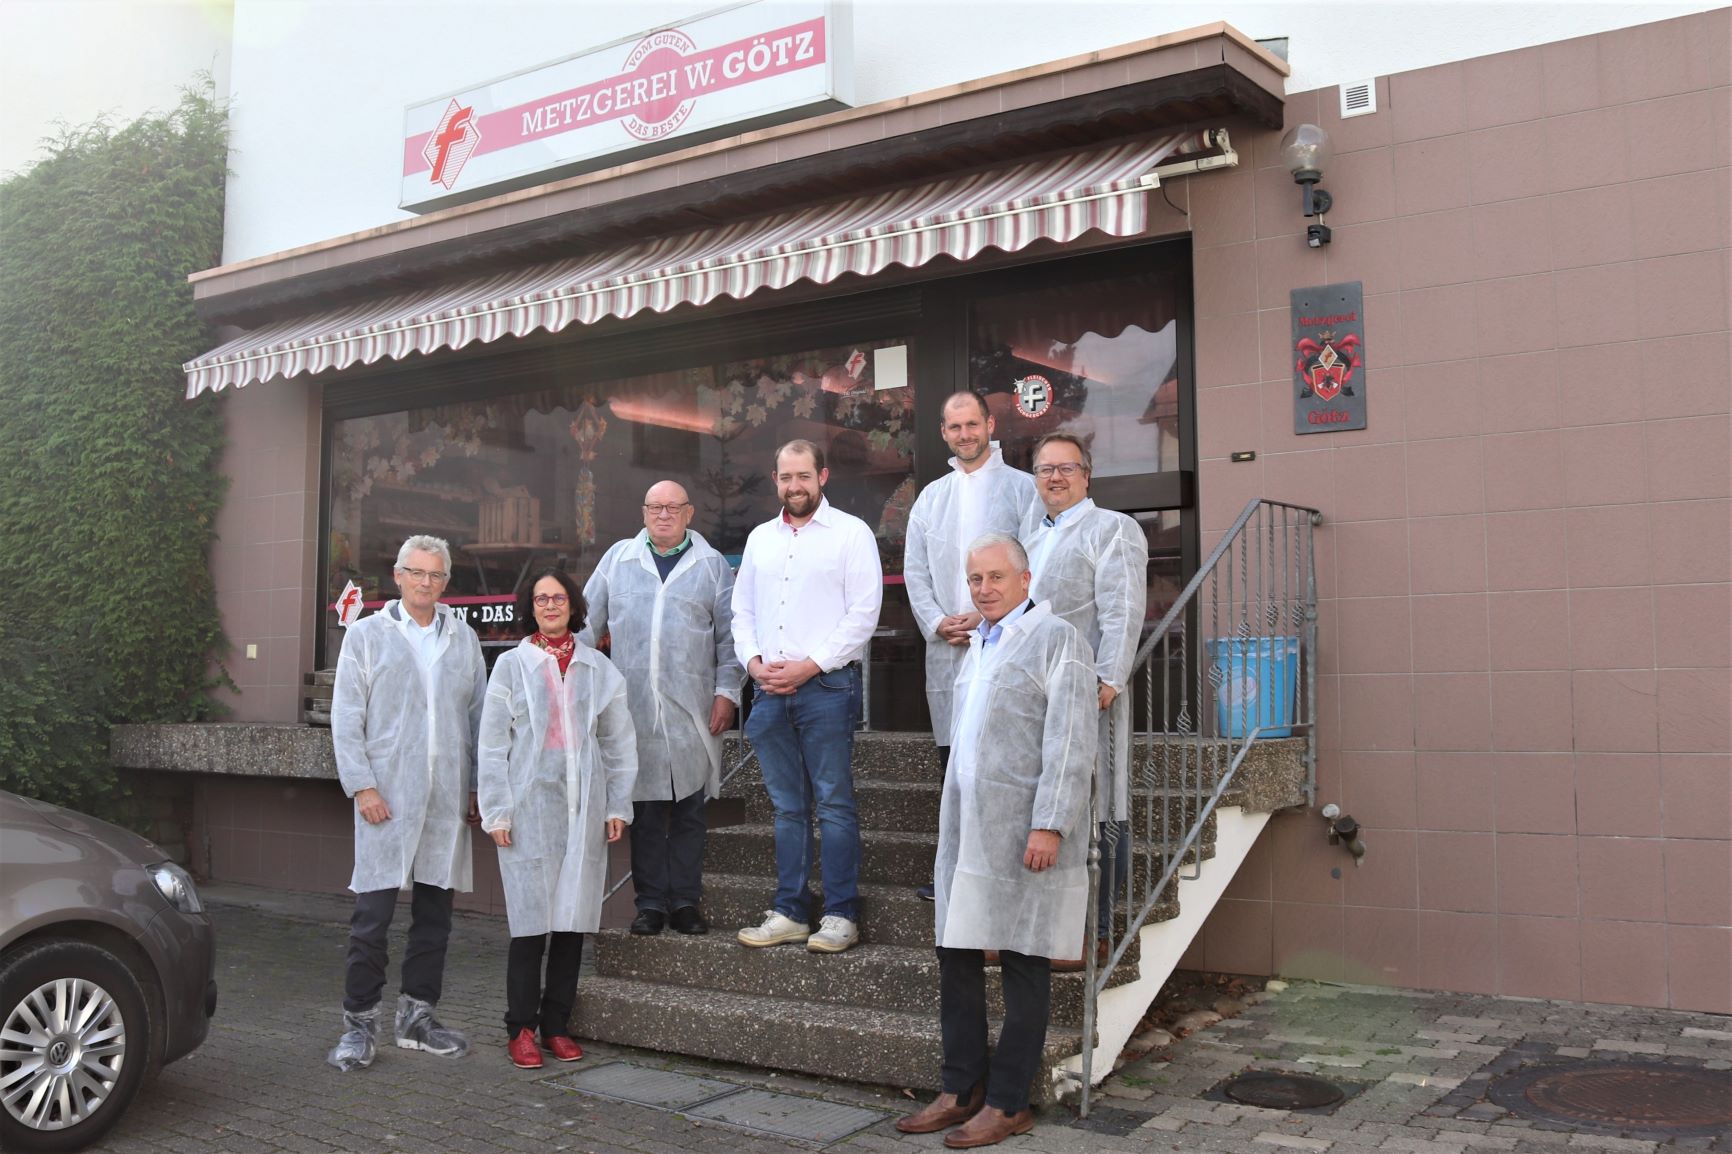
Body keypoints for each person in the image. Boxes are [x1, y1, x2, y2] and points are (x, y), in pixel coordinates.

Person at [895, 532, 1096, 1148]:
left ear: (1026, 580)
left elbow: (1070, 739)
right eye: (975, 579)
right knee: (955, 955)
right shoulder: (978, 643)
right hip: (967, 830)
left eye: (996, 578)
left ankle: (1009, 1101)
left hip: (1022, 830)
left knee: (1023, 959)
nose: (984, 589)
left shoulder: (1057, 640)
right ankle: (962, 1088)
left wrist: (1050, 822)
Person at [327, 535, 487, 1072]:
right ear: (396, 575)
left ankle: (417, 1018)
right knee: (371, 918)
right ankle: (359, 1024)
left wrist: (476, 786)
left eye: (436, 575)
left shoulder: (462, 639)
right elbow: (347, 716)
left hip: (445, 797)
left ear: (446, 582)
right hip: (386, 797)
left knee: (435, 916)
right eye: (416, 572)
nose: (425, 583)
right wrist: (362, 786)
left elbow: (477, 718)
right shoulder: (367, 636)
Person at [477, 569, 638, 1069]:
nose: (550, 605)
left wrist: (617, 803)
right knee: (530, 925)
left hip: (584, 806)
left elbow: (617, 739)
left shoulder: (597, 667)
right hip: (529, 807)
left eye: (559, 597)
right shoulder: (511, 665)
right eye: (541, 598)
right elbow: (492, 743)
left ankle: (556, 1026)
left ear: (574, 606)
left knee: (571, 923)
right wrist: (497, 810)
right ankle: (520, 1027)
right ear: (531, 606)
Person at [732, 439, 883, 954]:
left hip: (827, 687)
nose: (794, 486)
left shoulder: (851, 534)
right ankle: (791, 912)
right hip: (770, 690)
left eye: (803, 476)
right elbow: (742, 612)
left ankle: (840, 914)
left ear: (822, 476)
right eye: (785, 477)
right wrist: (753, 664)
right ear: (775, 480)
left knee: (835, 804)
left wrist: (808, 666)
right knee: (787, 808)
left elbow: (863, 613)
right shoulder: (759, 539)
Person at [580, 480, 742, 936]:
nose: (663, 515)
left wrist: (727, 693)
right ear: (643, 511)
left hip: (693, 710)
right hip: (631, 710)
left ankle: (686, 903)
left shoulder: (711, 567)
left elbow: (731, 639)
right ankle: (650, 904)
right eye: (655, 507)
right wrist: (560, 675)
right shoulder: (618, 560)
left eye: (673, 507)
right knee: (646, 812)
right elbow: (586, 623)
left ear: (689, 513)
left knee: (690, 809)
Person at [903, 391, 1036, 901]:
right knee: (953, 767)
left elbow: (1032, 568)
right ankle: (955, 874)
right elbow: (915, 571)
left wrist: (985, 614)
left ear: (990, 424)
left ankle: (1001, 875)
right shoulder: (931, 497)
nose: (965, 434)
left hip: (1007, 648)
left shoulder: (1022, 490)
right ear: (944, 432)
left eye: (972, 424)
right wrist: (938, 622)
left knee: (1002, 764)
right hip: (948, 652)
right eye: (954, 426)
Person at [1020, 434, 1148, 960]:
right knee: (1049, 803)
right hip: (1036, 694)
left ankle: (1095, 928)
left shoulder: (1112, 528)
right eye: (1045, 469)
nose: (1055, 477)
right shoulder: (1028, 539)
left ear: (1086, 475)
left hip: (1090, 691)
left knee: (1098, 805)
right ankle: (1047, 928)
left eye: (1066, 468)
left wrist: (1110, 679)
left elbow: (1122, 608)